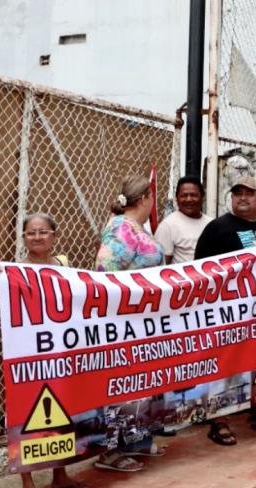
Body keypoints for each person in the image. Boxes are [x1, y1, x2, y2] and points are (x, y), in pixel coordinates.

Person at [0, 214, 86, 488]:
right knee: (25, 411)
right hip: (27, 353)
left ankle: (60, 475)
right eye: (31, 233)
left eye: (43, 232)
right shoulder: (15, 270)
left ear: (55, 236)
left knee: (64, 409)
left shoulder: (65, 265)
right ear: (24, 238)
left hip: (58, 352)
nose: (37, 237)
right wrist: (1, 275)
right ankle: (28, 482)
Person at [194, 175, 256, 441]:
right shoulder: (217, 228)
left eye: (249, 193)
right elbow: (199, 270)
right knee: (224, 365)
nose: (242, 197)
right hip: (228, 312)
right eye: (237, 193)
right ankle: (219, 421)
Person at [94, 176, 166, 472]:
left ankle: (134, 437)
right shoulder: (121, 229)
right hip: (123, 319)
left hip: (140, 319)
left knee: (137, 381)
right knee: (119, 382)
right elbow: (104, 272)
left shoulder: (134, 228)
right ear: (146, 199)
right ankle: (108, 450)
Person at [154, 176, 212, 264]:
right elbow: (161, 266)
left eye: (193, 195)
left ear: (202, 197)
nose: (188, 199)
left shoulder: (211, 224)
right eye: (183, 195)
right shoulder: (168, 226)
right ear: (176, 198)